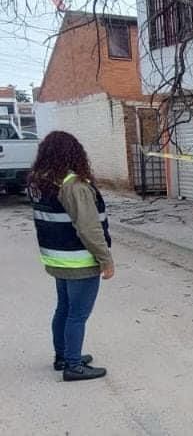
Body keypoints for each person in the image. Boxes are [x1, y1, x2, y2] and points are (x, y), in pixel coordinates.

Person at [27, 131, 114, 381]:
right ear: (74, 153)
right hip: (79, 261)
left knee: (64, 309)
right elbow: (89, 228)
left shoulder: (41, 182)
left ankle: (63, 356)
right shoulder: (73, 186)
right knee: (77, 315)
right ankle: (73, 365)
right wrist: (106, 260)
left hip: (57, 259)